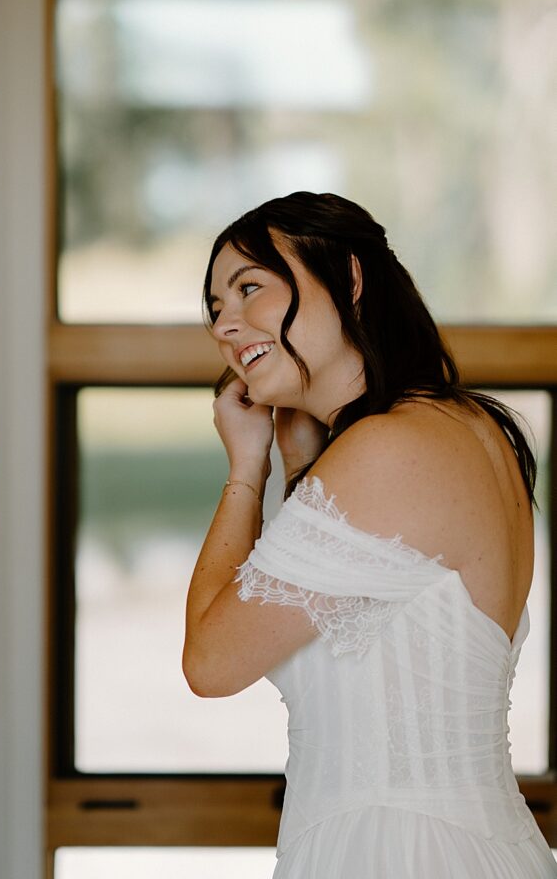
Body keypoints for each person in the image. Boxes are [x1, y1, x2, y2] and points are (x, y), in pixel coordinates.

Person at [183, 191, 557, 878]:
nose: (224, 325)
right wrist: (301, 465)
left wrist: (245, 469)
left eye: (249, 288)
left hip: (397, 853)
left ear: (349, 279)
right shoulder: (470, 430)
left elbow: (210, 662)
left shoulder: (387, 449)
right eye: (215, 307)